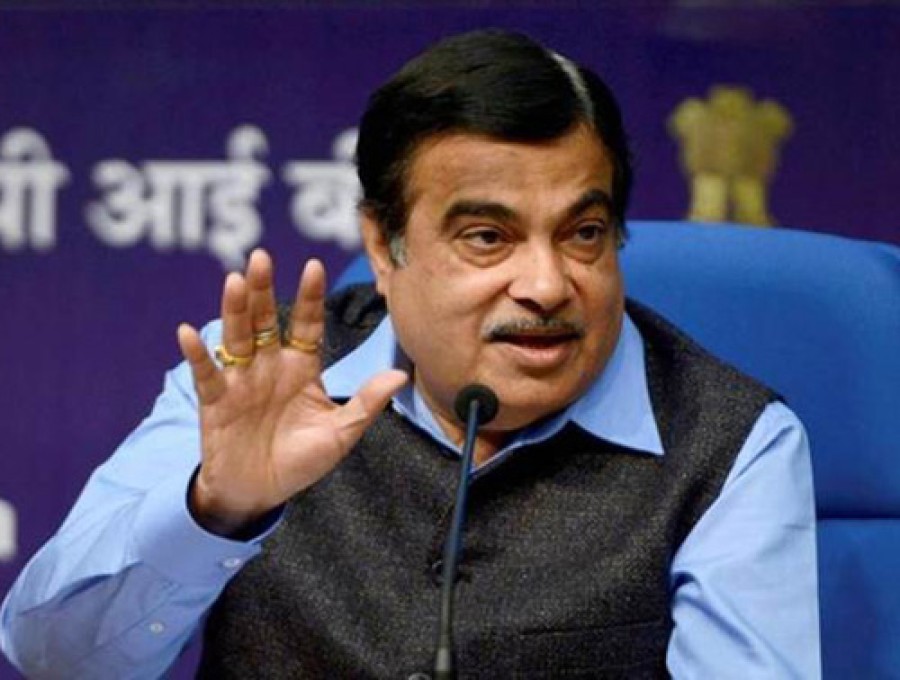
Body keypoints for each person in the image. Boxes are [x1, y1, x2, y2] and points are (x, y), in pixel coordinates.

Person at [0, 29, 819, 678]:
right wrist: (218, 510)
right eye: (488, 237)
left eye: (584, 233)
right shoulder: (254, 379)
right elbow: (53, 659)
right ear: (383, 247)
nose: (546, 285)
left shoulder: (731, 443)